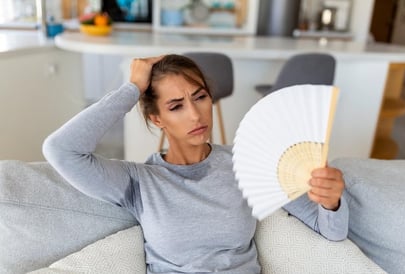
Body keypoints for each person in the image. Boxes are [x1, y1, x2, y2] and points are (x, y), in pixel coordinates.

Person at [43, 54, 349, 273]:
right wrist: (133, 88)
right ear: (157, 119)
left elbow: (331, 230)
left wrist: (332, 201)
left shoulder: (248, 162)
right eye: (176, 106)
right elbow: (60, 150)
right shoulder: (139, 181)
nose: (195, 114)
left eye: (200, 97)